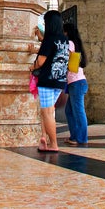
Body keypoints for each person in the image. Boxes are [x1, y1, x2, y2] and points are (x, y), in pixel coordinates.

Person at [30, 10, 68, 152]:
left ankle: (53, 144)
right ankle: (43, 138)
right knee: (48, 111)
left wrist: (31, 67)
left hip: (48, 81)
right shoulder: (63, 39)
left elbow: (41, 61)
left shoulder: (49, 39)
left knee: (47, 112)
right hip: (60, 81)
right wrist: (41, 38)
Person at [63, 22, 89, 146]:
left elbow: (65, 59)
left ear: (66, 32)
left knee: (78, 111)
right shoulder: (76, 44)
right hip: (78, 82)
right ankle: (74, 136)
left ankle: (81, 138)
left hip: (76, 82)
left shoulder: (70, 43)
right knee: (69, 110)